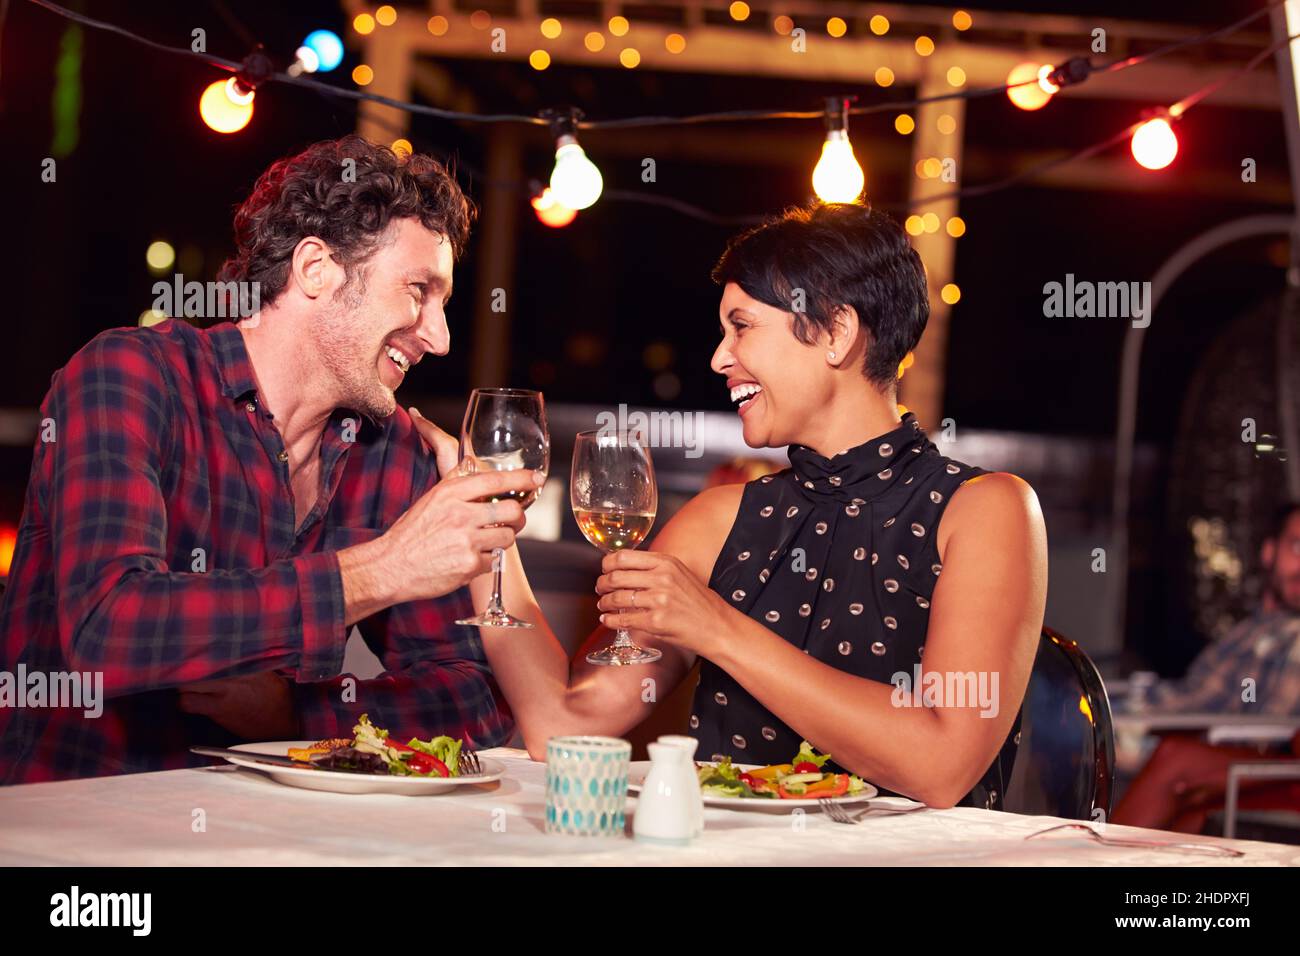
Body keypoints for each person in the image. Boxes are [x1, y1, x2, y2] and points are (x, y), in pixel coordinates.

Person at [413, 202, 1048, 809]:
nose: (720, 357)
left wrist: (716, 627)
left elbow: (942, 765)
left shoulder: (986, 510)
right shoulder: (718, 522)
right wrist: (486, 537)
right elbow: (563, 727)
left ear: (836, 332)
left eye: (742, 326)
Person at [0, 136, 540, 783]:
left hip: (265, 839)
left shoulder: (391, 448)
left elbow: (475, 698)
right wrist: (381, 570)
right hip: (71, 831)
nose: (440, 337)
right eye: (418, 291)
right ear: (316, 269)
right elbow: (107, 629)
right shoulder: (133, 375)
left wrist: (296, 714)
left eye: (444, 304)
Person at [1112, 502, 1300, 830]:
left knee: (1172, 758)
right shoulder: (1251, 628)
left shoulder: (1293, 635)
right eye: (1298, 547)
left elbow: (1269, 728)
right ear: (1269, 552)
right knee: (1057, 717)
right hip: (1200, 730)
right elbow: (1197, 692)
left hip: (1267, 758)